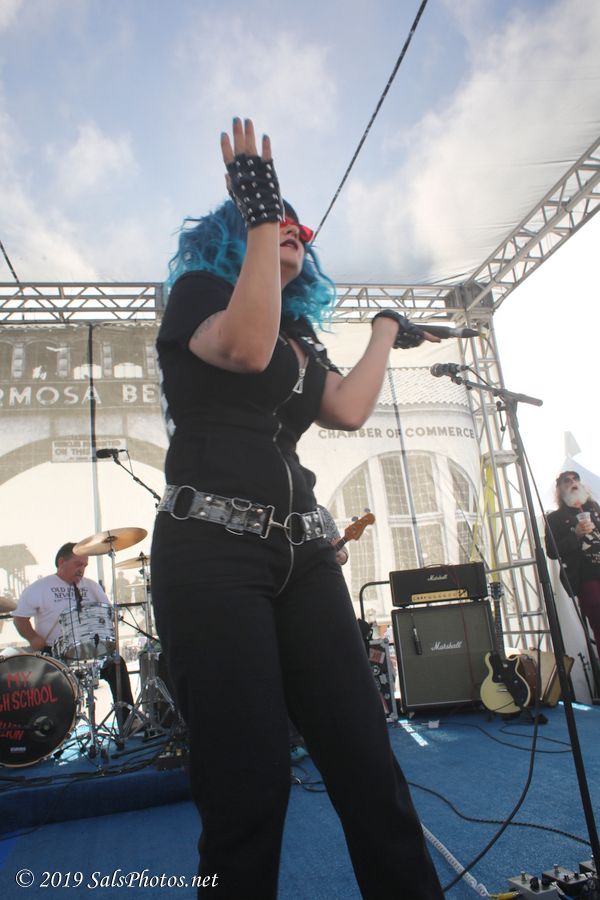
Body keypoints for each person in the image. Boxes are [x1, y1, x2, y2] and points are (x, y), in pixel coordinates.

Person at [150, 117, 443, 899]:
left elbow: (346, 408)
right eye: (278, 219)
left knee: (368, 766)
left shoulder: (300, 337)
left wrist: (383, 331)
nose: (291, 230)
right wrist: (258, 212)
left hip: (304, 556)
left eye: (298, 230)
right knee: (247, 791)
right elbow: (243, 348)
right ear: (236, 228)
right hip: (211, 552)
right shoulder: (200, 294)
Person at [12, 542, 135, 731]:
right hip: (54, 653)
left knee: (117, 665)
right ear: (61, 562)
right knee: (46, 688)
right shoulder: (40, 587)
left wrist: (111, 641)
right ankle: (53, 731)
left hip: (92, 650)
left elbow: (107, 615)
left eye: (85, 565)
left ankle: (128, 723)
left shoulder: (91, 586)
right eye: (78, 564)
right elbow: (20, 619)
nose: (82, 569)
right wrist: (33, 638)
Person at [545, 470, 600, 660]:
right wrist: (575, 535)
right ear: (560, 489)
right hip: (585, 575)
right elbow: (552, 551)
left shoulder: (594, 507)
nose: (572, 482)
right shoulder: (555, 518)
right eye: (566, 481)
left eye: (575, 479)